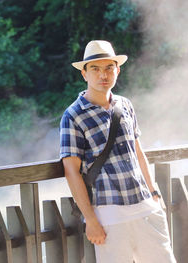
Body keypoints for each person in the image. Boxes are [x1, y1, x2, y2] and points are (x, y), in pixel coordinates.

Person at [59, 40, 176, 262]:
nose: (103, 75)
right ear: (84, 74)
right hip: (109, 215)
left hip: (145, 208)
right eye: (95, 68)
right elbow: (71, 171)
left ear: (117, 70)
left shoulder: (125, 105)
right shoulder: (73, 115)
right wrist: (91, 220)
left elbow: (138, 153)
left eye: (108, 68)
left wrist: (154, 194)